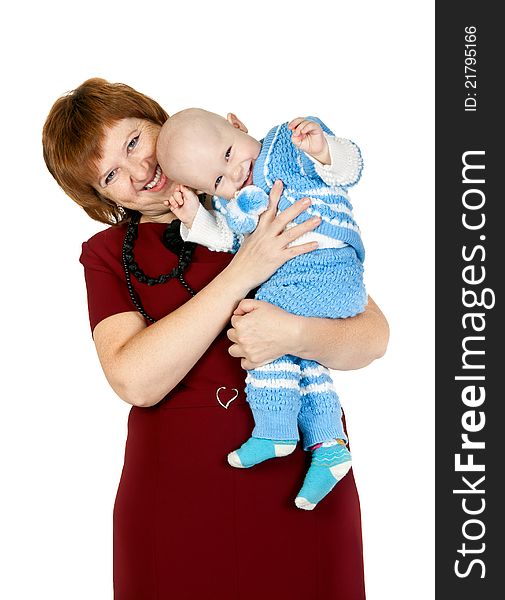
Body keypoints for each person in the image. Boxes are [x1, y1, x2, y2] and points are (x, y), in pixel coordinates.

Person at [42, 78, 389, 599]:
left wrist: (292, 333)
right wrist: (244, 271)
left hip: (303, 485)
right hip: (176, 500)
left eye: (135, 141)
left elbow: (372, 336)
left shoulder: (261, 196)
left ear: (160, 121)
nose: (140, 172)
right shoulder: (108, 255)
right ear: (99, 198)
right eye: (111, 174)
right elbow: (136, 380)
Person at [156, 108, 367, 511]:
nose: (234, 173)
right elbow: (227, 241)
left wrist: (323, 150)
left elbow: (349, 169)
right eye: (217, 180)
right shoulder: (235, 202)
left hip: (328, 270)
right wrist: (194, 218)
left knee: (261, 324)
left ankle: (276, 428)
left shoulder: (285, 146)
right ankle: (329, 447)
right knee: (302, 360)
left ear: (237, 125)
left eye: (229, 153)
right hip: (301, 284)